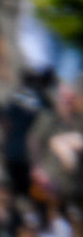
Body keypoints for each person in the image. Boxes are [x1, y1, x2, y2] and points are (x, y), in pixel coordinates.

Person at [30, 86, 83, 220]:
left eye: (71, 99)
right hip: (52, 181)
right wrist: (37, 167)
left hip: (76, 183)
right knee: (52, 218)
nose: (68, 103)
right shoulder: (48, 118)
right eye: (65, 99)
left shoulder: (80, 121)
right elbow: (34, 141)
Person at [2, 76, 48, 201]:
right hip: (30, 154)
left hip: (15, 151)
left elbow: (6, 122)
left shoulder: (17, 97)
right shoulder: (42, 99)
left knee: (17, 191)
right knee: (31, 193)